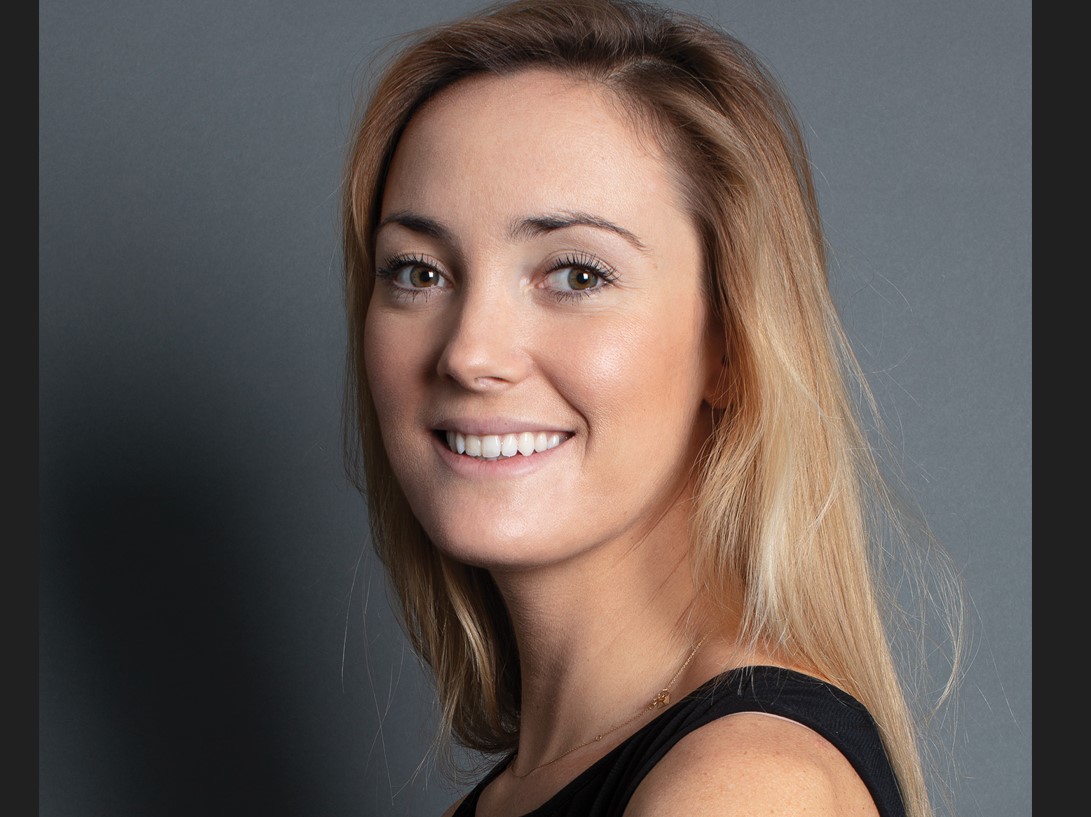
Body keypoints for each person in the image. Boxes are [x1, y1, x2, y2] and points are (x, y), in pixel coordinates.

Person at [339, 1, 964, 815]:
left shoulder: (743, 785)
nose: (469, 352)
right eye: (418, 272)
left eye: (576, 274)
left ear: (730, 345)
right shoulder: (526, 789)